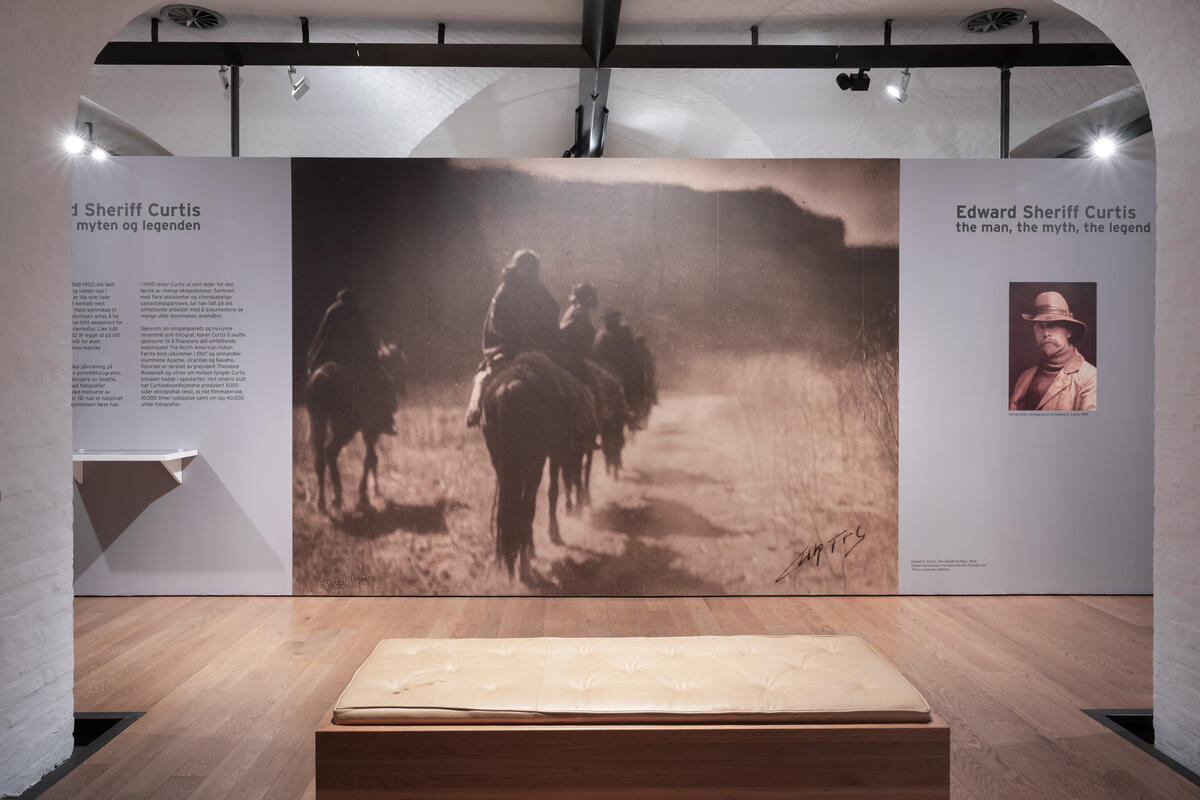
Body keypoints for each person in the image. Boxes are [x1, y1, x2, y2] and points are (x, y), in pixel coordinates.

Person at [465, 249, 560, 427]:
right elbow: (498, 323)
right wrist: (522, 338)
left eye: (533, 270)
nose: (532, 274)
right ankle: (474, 408)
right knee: (484, 378)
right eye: (529, 270)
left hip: (529, 347)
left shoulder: (536, 289)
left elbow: (552, 309)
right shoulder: (505, 292)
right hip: (507, 348)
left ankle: (475, 410)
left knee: (484, 377)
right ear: (518, 269)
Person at [307, 287, 396, 433]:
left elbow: (320, 336)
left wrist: (312, 361)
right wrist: (373, 356)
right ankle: (385, 421)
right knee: (385, 381)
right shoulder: (355, 311)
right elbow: (366, 338)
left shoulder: (330, 311)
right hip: (351, 359)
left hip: (327, 357)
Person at [1009, 290, 1097, 411]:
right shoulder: (1025, 376)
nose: (1045, 333)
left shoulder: (1090, 378)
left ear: (1069, 331)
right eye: (1040, 326)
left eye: (1052, 325)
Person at [559, 282, 598, 360]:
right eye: (592, 296)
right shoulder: (579, 313)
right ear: (585, 297)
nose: (595, 299)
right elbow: (562, 330)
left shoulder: (575, 308)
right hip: (572, 356)